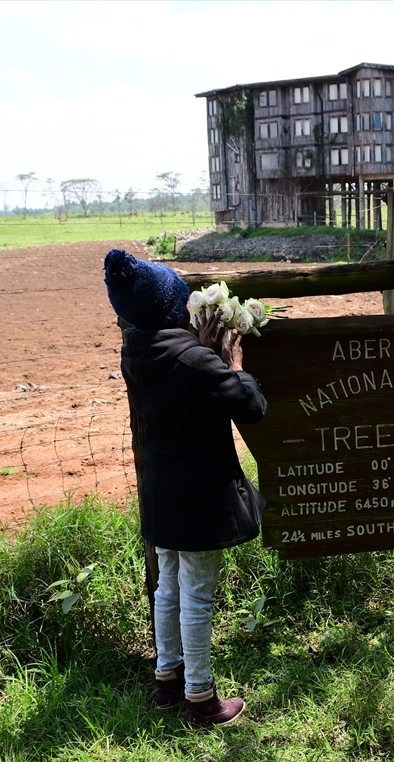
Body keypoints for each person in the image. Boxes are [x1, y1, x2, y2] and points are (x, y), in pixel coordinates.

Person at [103, 248, 266, 728]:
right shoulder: (196, 360)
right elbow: (251, 405)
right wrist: (230, 362)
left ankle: (167, 680)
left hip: (162, 492)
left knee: (168, 586)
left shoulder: (137, 351)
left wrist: (205, 353)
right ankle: (201, 698)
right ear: (175, 307)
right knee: (197, 594)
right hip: (201, 495)